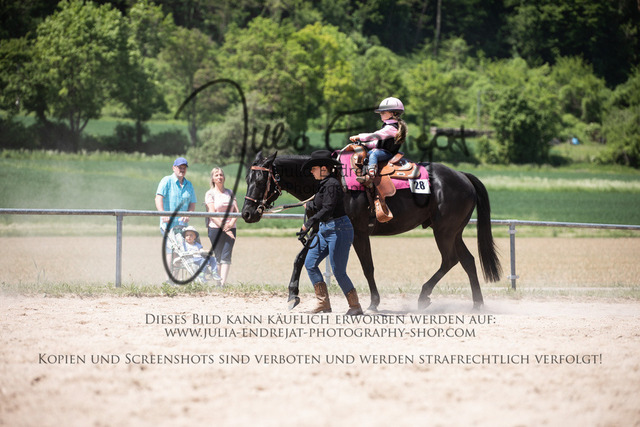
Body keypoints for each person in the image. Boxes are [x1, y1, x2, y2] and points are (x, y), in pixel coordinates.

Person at [300, 150, 362, 316]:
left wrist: (308, 224)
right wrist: (309, 206)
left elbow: (328, 209)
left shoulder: (332, 185)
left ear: (323, 168)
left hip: (339, 230)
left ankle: (355, 306)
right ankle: (323, 303)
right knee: (310, 263)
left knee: (338, 271)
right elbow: (321, 205)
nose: (311, 171)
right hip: (325, 229)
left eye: (313, 168)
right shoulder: (324, 185)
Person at [349, 97, 408, 184]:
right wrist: (366, 144)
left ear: (392, 113)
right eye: (380, 113)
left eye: (383, 112)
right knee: (367, 154)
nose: (381, 114)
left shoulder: (390, 128)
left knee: (374, 155)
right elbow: (378, 143)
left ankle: (371, 175)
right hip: (382, 151)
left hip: (388, 153)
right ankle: (363, 173)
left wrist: (359, 136)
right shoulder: (387, 126)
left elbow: (375, 135)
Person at [155, 157, 197, 279]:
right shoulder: (166, 181)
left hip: (182, 226)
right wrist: (163, 213)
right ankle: (168, 280)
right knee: (171, 250)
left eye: (184, 168)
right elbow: (158, 198)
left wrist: (188, 214)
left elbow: (192, 203)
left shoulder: (189, 185)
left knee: (179, 253)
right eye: (180, 167)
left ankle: (174, 279)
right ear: (174, 168)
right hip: (167, 225)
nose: (182, 169)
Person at [205, 167, 239, 286]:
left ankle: (223, 284)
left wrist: (230, 225)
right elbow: (212, 213)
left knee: (226, 255)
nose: (219, 177)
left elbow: (236, 211)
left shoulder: (230, 193)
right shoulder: (210, 194)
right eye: (216, 175)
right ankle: (217, 283)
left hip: (231, 226)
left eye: (221, 175)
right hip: (215, 228)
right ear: (213, 179)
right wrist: (225, 227)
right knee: (218, 255)